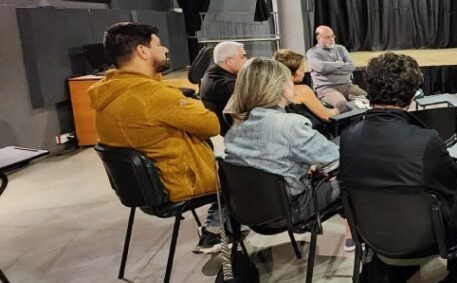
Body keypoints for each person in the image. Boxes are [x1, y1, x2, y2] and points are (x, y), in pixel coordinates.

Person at [89, 22, 222, 253]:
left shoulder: (107, 92)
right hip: (179, 185)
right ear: (143, 51)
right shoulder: (155, 96)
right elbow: (212, 125)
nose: (165, 49)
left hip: (143, 191)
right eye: (158, 44)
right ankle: (217, 233)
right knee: (246, 171)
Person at [339, 52, 457, 257]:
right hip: (427, 240)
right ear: (411, 97)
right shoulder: (427, 141)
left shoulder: (347, 137)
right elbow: (450, 185)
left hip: (371, 235)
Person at [222, 58, 350, 247]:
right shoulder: (290, 125)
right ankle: (365, 240)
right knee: (354, 172)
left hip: (248, 211)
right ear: (279, 86)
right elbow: (339, 161)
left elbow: (265, 164)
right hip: (291, 210)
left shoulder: (235, 128)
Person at [273, 49, 340, 124]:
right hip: (313, 132)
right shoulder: (302, 90)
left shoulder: (269, 92)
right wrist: (338, 110)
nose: (304, 72)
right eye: (301, 70)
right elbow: (327, 117)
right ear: (290, 74)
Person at [306, 25, 366, 108]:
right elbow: (322, 68)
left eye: (332, 36)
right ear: (319, 38)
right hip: (326, 89)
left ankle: (362, 120)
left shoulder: (341, 48)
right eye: (327, 37)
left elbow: (351, 66)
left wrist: (330, 69)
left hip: (347, 86)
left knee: (365, 99)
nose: (331, 39)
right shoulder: (312, 52)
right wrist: (339, 63)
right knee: (342, 104)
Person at [199, 41, 247, 135]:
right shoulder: (226, 85)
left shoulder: (214, 71)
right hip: (239, 132)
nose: (246, 60)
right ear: (229, 61)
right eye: (242, 57)